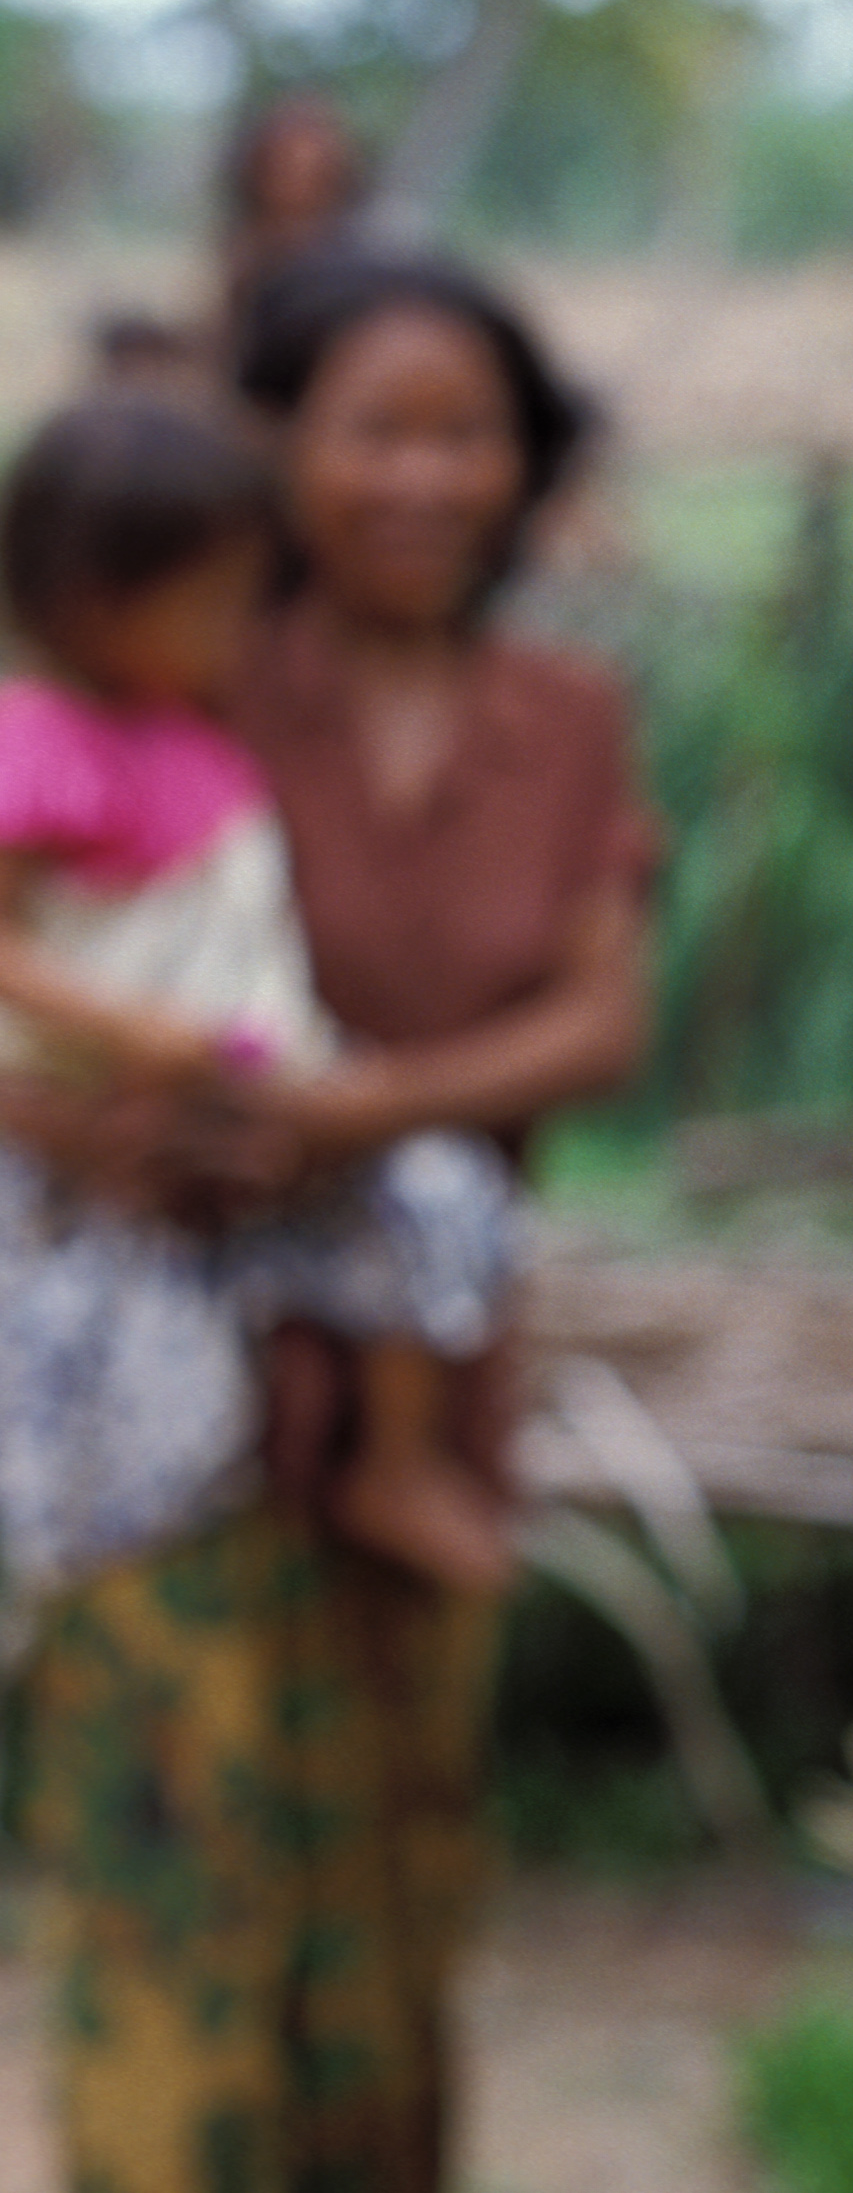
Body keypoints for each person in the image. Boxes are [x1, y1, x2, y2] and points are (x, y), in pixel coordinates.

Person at [12, 247, 649, 2193]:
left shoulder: (564, 714)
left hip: (417, 1391)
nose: (424, 477)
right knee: (166, 1885)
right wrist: (90, 1124)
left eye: (471, 433)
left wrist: (358, 1110)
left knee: (392, 1904)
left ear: (525, 461)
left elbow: (604, 1017)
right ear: (277, 445)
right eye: (376, 429)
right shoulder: (178, 669)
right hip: (159, 1393)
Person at [0, 391, 516, 1632]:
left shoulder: (188, 734)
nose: (245, 631)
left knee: (440, 1197)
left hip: (247, 1088)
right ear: (98, 606)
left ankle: (395, 1458)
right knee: (111, 1403)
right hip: (95, 1121)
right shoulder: (41, 745)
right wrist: (123, 1031)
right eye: (218, 604)